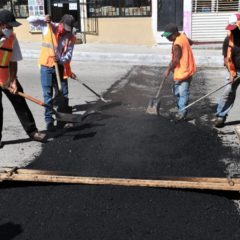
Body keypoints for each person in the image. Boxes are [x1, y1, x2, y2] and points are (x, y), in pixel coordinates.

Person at [0, 10, 46, 149]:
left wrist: (12, 80)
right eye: (9, 26)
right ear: (1, 25)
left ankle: (32, 132)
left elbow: (13, 61)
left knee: (20, 102)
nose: (11, 29)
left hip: (6, 77)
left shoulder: (11, 37)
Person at [27, 14, 77, 131]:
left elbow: (69, 54)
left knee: (63, 93)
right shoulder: (48, 27)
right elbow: (30, 20)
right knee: (47, 95)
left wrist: (60, 60)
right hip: (46, 66)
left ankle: (64, 118)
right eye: (65, 28)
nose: (66, 31)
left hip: (59, 66)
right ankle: (49, 120)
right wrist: (43, 18)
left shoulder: (70, 36)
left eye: (68, 29)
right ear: (61, 23)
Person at [162, 23, 197, 120]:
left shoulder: (177, 44)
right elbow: (191, 42)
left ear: (175, 33)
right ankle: (180, 109)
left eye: (169, 36)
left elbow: (176, 60)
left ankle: (182, 113)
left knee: (182, 93)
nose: (167, 38)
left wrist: (168, 69)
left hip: (184, 72)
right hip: (182, 70)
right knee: (176, 92)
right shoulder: (182, 36)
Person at [214, 13, 240, 128]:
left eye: (235, 28)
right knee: (228, 92)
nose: (233, 31)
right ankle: (221, 116)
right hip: (235, 71)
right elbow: (226, 59)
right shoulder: (228, 40)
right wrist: (231, 73)